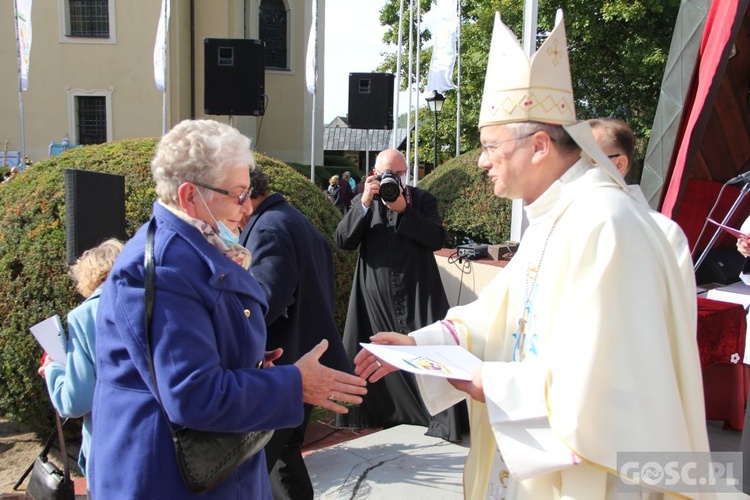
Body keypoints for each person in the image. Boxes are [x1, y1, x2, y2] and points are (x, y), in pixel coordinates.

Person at [355, 12, 709, 498]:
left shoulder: (604, 224)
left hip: (590, 476)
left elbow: (608, 383)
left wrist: (490, 381)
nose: (480, 161)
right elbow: (498, 317)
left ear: (540, 145)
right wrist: (422, 345)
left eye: (488, 146)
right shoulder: (556, 219)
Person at [90, 119, 366, 499]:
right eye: (237, 193)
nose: (246, 206)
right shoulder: (165, 268)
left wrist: (247, 358)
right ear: (190, 196)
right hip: (170, 478)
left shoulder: (192, 249)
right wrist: (294, 382)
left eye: (248, 191)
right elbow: (193, 393)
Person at [335, 148, 464, 442]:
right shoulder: (363, 201)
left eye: (400, 173)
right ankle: (384, 414)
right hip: (375, 297)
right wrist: (365, 203)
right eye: (386, 174)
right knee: (380, 354)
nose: (394, 179)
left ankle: (437, 418)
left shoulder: (422, 199)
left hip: (419, 288)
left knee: (427, 348)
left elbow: (435, 239)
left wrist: (405, 210)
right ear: (374, 175)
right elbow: (343, 240)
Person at [239, 168, 351, 500]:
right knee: (282, 463)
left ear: (246, 193)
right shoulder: (294, 221)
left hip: (284, 369)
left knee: (257, 467)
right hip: (302, 366)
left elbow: (265, 302)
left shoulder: (269, 228)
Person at [38, 238, 123, 478]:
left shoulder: (85, 315)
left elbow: (75, 401)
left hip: (111, 448)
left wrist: (54, 369)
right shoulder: (161, 301)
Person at [587, 117, 694, 292]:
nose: (573, 169)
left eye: (588, 159)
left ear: (618, 164)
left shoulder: (664, 234)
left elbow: (678, 312)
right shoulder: (558, 221)